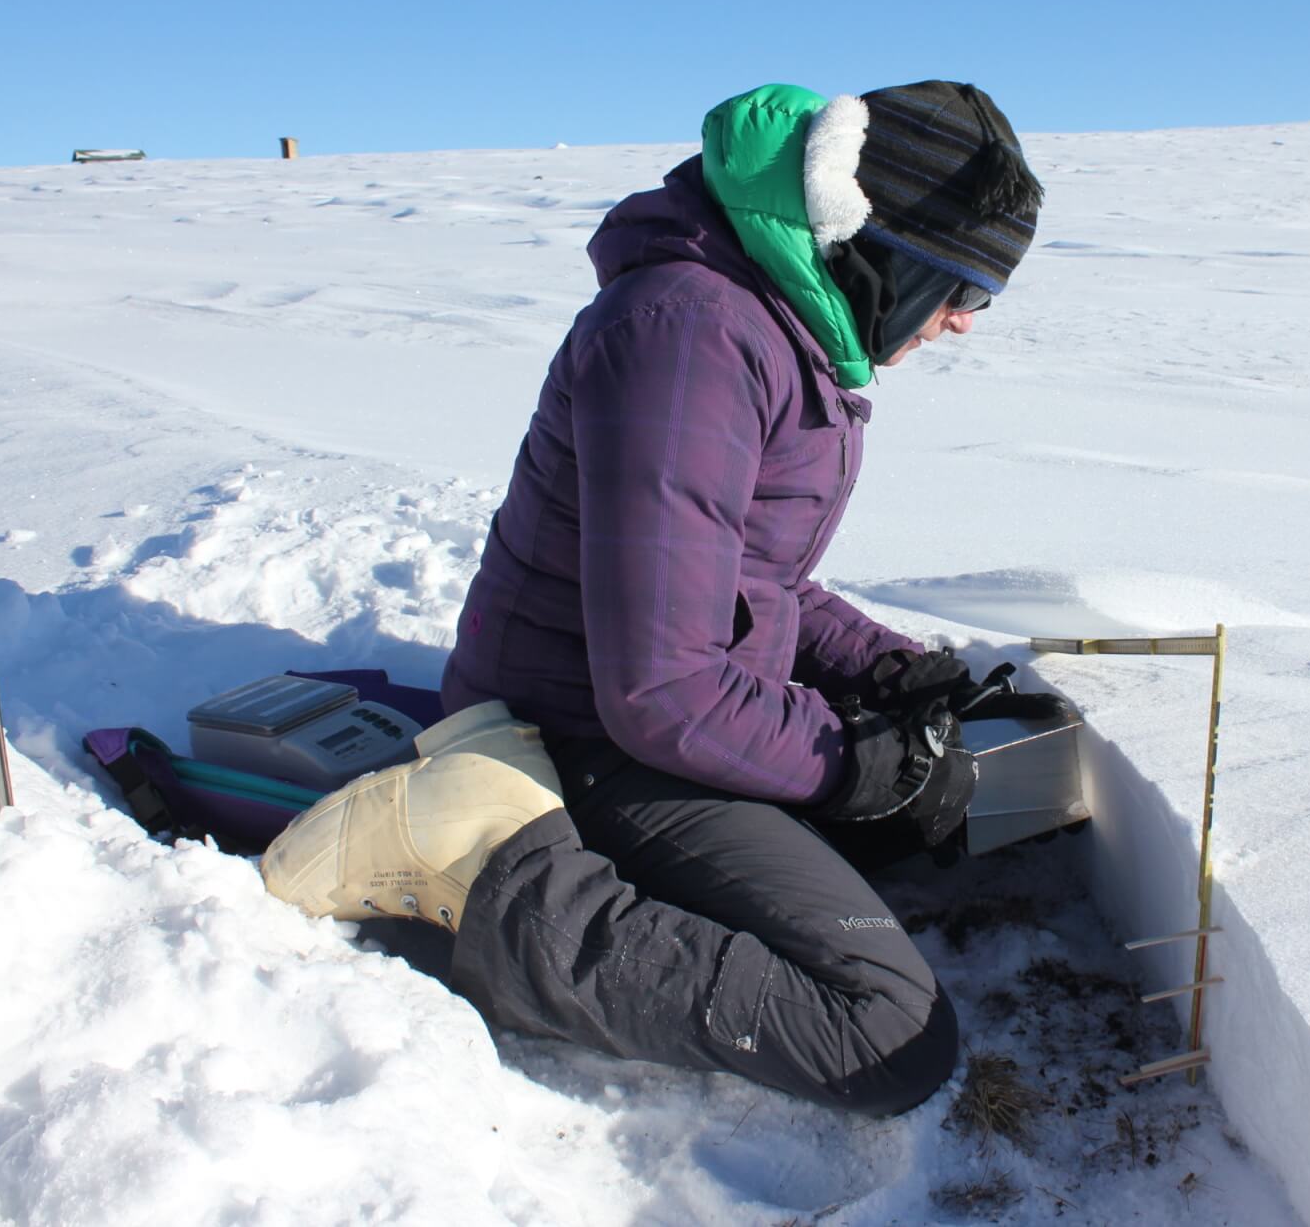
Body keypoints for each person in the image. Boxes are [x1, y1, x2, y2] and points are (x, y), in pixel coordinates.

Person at [262, 81, 1044, 1117]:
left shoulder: (773, 323)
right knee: (881, 1031)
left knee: (908, 823)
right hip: (582, 735)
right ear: (878, 247)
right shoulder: (691, 336)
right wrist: (855, 761)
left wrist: (893, 671)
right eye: (961, 288)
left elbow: (757, 582)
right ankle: (480, 865)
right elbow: (663, 692)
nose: (960, 323)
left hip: (650, 721)